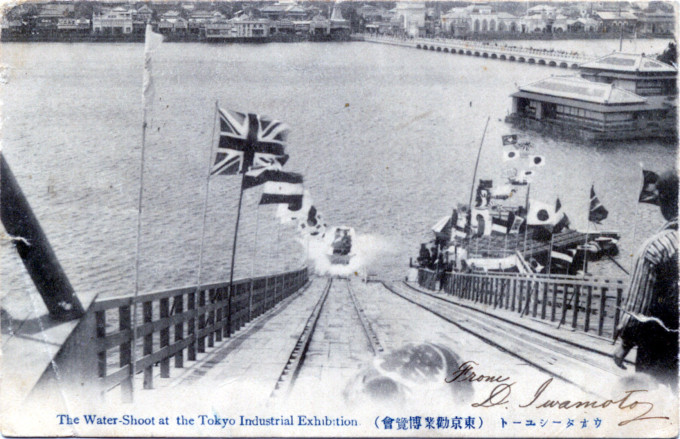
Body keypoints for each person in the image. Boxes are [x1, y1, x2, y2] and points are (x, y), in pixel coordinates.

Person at [613, 170, 678, 390]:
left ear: (662, 202)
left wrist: (624, 343)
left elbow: (637, 311)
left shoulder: (656, 248)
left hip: (663, 354)